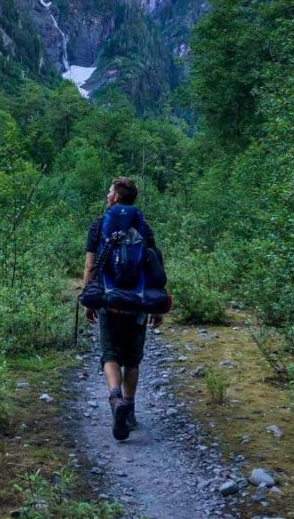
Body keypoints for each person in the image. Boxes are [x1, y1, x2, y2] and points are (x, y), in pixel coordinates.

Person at [82, 177, 163, 441]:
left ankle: (115, 399)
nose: (107, 195)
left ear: (116, 197)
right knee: (133, 360)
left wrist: (89, 298)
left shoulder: (98, 226)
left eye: (109, 192)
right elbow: (154, 265)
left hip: (109, 301)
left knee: (110, 355)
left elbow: (90, 267)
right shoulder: (144, 227)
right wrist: (157, 304)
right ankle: (129, 408)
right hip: (138, 304)